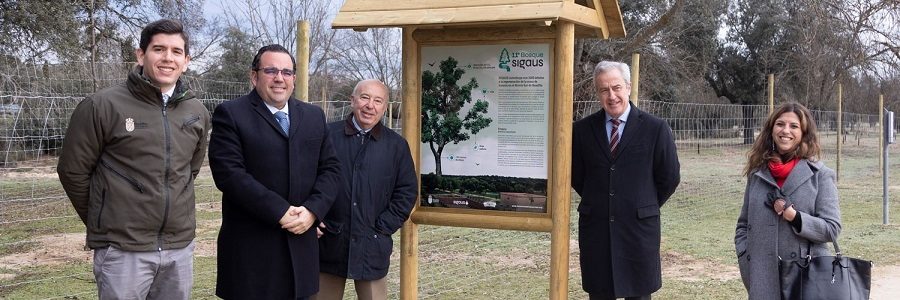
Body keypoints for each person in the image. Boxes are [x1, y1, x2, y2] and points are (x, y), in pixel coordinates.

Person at [57, 19, 210, 300]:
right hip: (123, 250)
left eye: (176, 51)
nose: (168, 58)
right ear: (141, 55)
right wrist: (105, 220)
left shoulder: (197, 111)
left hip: (178, 247)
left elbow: (190, 169)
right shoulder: (102, 106)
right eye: (158, 49)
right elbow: (73, 172)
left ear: (186, 61)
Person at [209, 44, 341, 299]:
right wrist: (280, 211)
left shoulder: (313, 116)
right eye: (271, 70)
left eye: (286, 72)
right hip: (253, 255)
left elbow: (331, 169)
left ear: (294, 78)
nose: (279, 78)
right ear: (254, 75)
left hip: (301, 252)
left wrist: (313, 210)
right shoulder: (232, 114)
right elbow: (230, 174)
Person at [571, 61, 681, 300]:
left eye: (617, 87)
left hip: (638, 229)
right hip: (596, 228)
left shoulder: (655, 129)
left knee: (639, 293)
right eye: (604, 90)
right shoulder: (581, 131)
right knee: (600, 292)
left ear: (628, 87)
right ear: (597, 92)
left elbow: (669, 176)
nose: (612, 96)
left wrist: (643, 203)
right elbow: (578, 176)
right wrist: (602, 200)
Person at [313, 79, 417, 300]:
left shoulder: (396, 146)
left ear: (385, 107)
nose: (370, 105)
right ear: (352, 101)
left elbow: (407, 192)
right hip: (329, 242)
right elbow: (307, 180)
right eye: (365, 98)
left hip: (373, 245)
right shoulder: (327, 136)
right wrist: (313, 215)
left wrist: (382, 227)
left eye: (378, 100)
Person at [734, 102, 841, 299]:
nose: (786, 130)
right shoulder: (757, 174)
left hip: (805, 279)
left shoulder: (821, 175)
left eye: (794, 126)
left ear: (804, 133)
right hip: (761, 278)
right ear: (771, 129)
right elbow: (743, 224)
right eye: (780, 124)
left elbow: (832, 229)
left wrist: (796, 218)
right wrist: (744, 255)